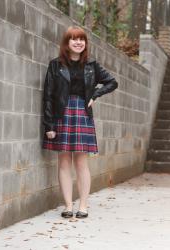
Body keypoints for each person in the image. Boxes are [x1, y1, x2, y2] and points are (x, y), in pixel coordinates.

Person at [42, 26, 118, 219]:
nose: (78, 42)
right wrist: (49, 125)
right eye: (74, 39)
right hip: (62, 113)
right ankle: (68, 205)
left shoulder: (91, 65)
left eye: (81, 39)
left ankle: (83, 205)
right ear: (66, 43)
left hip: (83, 113)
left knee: (81, 162)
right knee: (64, 161)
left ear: (85, 43)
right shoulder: (55, 65)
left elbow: (112, 82)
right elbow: (48, 96)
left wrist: (95, 94)